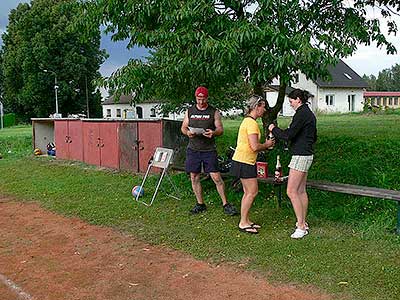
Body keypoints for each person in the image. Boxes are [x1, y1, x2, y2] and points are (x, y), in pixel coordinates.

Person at [181, 86, 238, 215]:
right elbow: (183, 128)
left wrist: (213, 132)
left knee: (216, 177)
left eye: (203, 99)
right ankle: (200, 204)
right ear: (196, 97)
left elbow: (220, 129)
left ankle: (225, 204)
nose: (201, 102)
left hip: (209, 150)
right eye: (198, 99)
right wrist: (188, 133)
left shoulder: (214, 112)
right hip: (193, 149)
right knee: (194, 176)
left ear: (207, 98)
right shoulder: (189, 111)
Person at [268, 88, 317, 239]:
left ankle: (301, 226)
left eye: (291, 102)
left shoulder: (302, 114)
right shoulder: (307, 113)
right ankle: (303, 222)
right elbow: (313, 136)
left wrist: (273, 129)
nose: (290, 104)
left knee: (291, 191)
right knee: (301, 191)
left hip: (301, 155)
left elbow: (288, 135)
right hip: (306, 153)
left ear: (298, 100)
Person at [231, 95, 275, 234]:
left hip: (242, 160)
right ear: (256, 106)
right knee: (252, 191)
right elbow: (255, 146)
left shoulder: (247, 121)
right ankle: (243, 222)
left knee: (248, 192)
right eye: (263, 106)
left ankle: (246, 220)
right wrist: (267, 145)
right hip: (245, 161)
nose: (265, 109)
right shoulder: (251, 124)